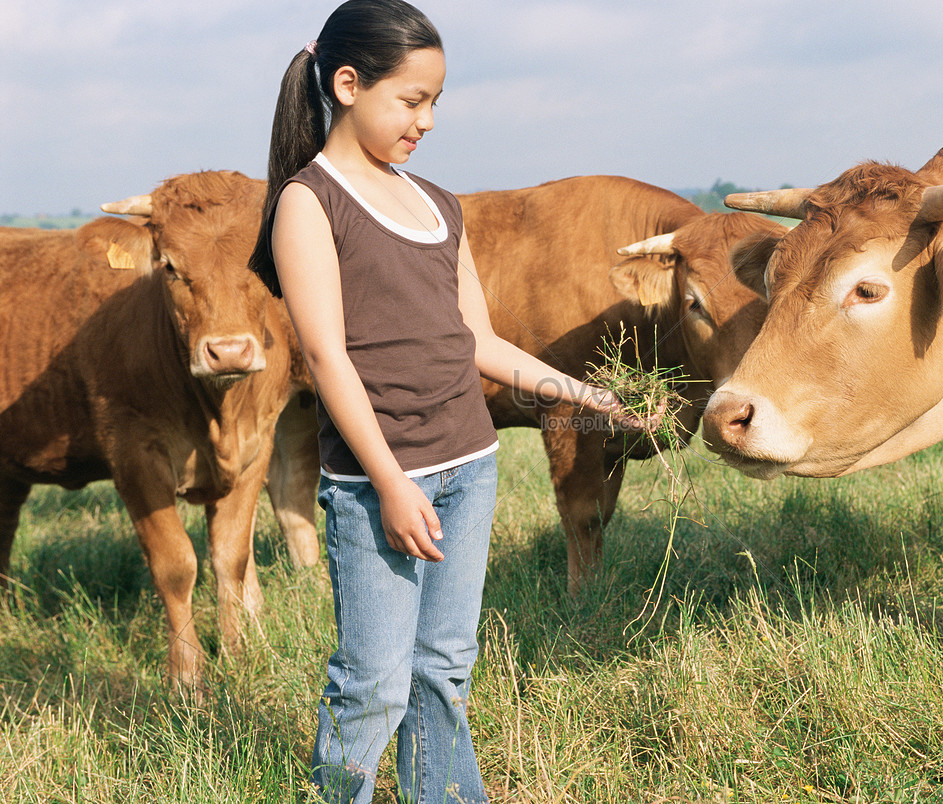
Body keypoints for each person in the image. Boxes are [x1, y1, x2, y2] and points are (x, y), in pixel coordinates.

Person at [248, 2, 648, 801]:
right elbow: (327, 359)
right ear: (348, 83)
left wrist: (590, 396)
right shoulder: (308, 202)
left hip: (471, 465)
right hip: (376, 484)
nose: (427, 120)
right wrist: (392, 483)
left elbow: (478, 343)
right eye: (411, 100)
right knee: (373, 683)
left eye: (435, 101)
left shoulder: (438, 203)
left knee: (443, 669)